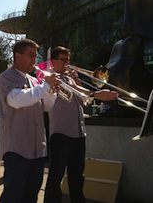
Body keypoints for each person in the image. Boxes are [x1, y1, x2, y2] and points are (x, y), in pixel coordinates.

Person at [44, 46, 119, 203]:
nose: (66, 63)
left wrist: (77, 80)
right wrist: (96, 93)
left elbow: (82, 100)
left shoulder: (70, 79)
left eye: (68, 60)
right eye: (63, 60)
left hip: (78, 133)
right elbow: (77, 91)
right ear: (54, 61)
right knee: (56, 176)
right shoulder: (50, 78)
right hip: (61, 133)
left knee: (77, 176)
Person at [0, 39, 59, 203]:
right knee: (13, 196)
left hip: (37, 148)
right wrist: (45, 87)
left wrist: (52, 91)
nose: (34, 60)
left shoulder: (34, 81)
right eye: (30, 55)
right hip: (17, 148)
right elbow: (16, 100)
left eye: (35, 56)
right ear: (17, 56)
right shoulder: (6, 77)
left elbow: (46, 106)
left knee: (31, 196)